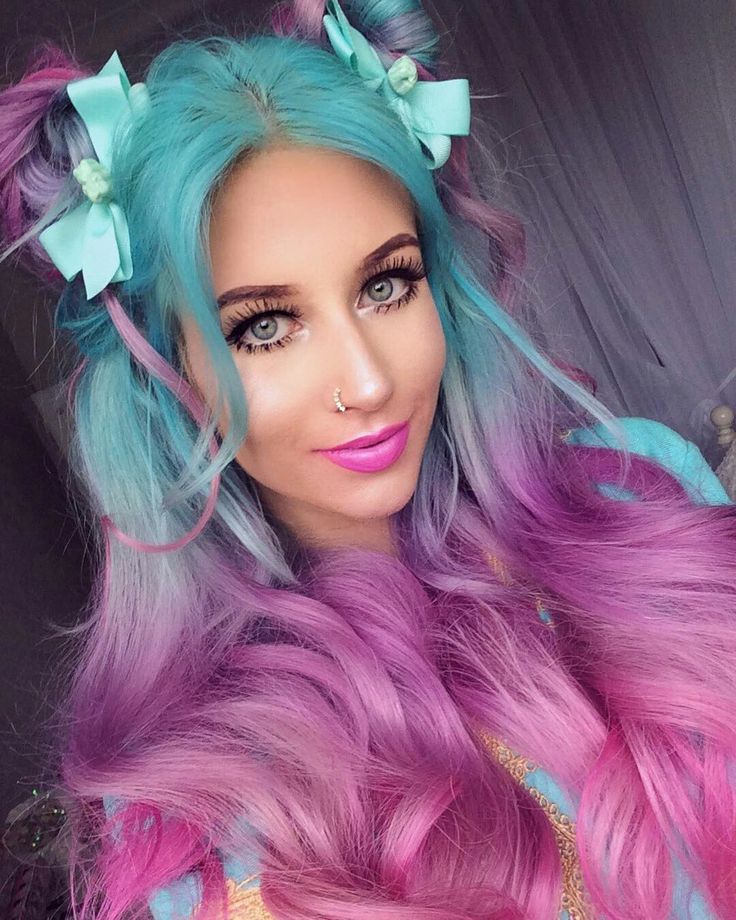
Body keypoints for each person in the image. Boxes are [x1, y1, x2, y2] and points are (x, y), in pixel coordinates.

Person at [1, 1, 735, 918]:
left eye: (386, 285)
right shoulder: (196, 792)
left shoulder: (642, 492)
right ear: (168, 373)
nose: (367, 380)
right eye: (265, 327)